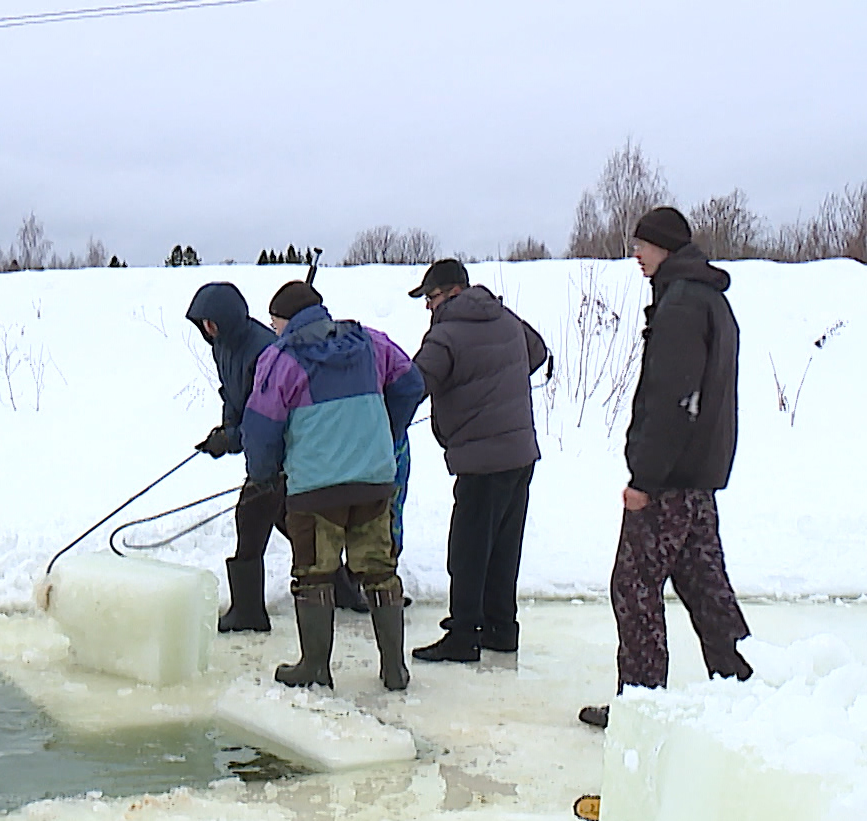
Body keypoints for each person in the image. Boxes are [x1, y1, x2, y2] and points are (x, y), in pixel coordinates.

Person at [581, 208, 752, 729]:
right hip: (698, 478)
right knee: (707, 589)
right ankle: (747, 690)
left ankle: (641, 707)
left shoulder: (680, 305)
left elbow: (674, 401)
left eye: (642, 244)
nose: (635, 252)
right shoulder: (711, 300)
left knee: (633, 587)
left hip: (670, 482)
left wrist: (644, 480)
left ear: (665, 248)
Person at [242, 281, 424, 691]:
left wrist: (265, 475)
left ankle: (314, 667)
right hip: (375, 481)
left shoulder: (281, 358)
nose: (273, 331)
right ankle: (394, 669)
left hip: (315, 488)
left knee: (314, 574)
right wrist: (385, 432)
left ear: (285, 321)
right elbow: (412, 384)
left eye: (274, 323)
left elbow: (261, 427)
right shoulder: (370, 343)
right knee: (379, 571)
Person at [405, 259, 548, 664]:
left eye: (430, 297)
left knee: (468, 550)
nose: (428, 307)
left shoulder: (445, 333)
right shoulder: (504, 316)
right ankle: (502, 629)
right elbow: (537, 352)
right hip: (520, 451)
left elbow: (415, 384)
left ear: (451, 292)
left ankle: (463, 636)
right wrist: (497, 379)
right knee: (504, 546)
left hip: (481, 458)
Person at [185, 282, 290, 632]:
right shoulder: (223, 346)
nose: (205, 329)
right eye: (201, 323)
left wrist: (233, 438)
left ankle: (247, 612)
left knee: (253, 517)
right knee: (291, 520)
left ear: (223, 320)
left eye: (208, 321)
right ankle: (341, 587)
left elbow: (269, 414)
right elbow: (232, 394)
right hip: (261, 448)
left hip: (281, 450)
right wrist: (226, 427)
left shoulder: (264, 349)